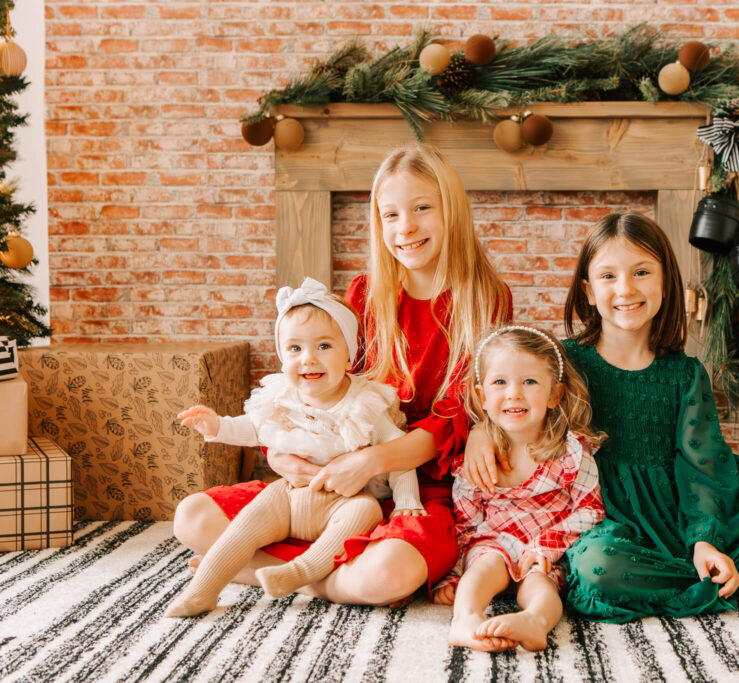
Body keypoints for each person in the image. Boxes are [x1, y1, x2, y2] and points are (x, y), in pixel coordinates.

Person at [171, 143, 511, 607]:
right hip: (328, 476)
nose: (405, 227)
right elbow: (316, 384)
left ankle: (273, 571)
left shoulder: (484, 298)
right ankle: (316, 568)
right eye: (389, 215)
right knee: (192, 518)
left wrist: (370, 463)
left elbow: (456, 418)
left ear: (451, 211)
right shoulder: (366, 293)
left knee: (389, 572)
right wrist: (281, 456)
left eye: (422, 208)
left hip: (416, 484)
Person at [463, 212, 739, 623]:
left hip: (683, 497)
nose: (626, 289)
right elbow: (513, 397)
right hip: (603, 513)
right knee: (597, 570)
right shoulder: (566, 361)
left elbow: (704, 465)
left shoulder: (685, 374)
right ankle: (709, 583)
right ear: (589, 291)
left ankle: (702, 566)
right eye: (608, 276)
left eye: (641, 272)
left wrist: (705, 540)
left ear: (665, 282)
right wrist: (482, 430)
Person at [167, 278, 423, 617]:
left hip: (345, 502)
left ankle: (297, 574)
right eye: (295, 349)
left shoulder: (364, 405)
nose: (309, 359)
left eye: (324, 347)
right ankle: (203, 589)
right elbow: (253, 428)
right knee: (246, 524)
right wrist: (216, 426)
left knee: (367, 512)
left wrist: (407, 501)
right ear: (282, 355)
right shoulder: (280, 398)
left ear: (349, 356)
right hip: (290, 496)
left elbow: (400, 456)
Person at [432, 325, 605, 652]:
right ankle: (465, 619)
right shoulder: (480, 459)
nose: (513, 394)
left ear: (555, 394)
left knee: (540, 584)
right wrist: (453, 576)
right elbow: (466, 524)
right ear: (483, 397)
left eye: (529, 382)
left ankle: (535, 621)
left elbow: (590, 510)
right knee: (485, 563)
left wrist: (545, 547)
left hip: (544, 548)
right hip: (492, 542)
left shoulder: (569, 453)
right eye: (500, 382)